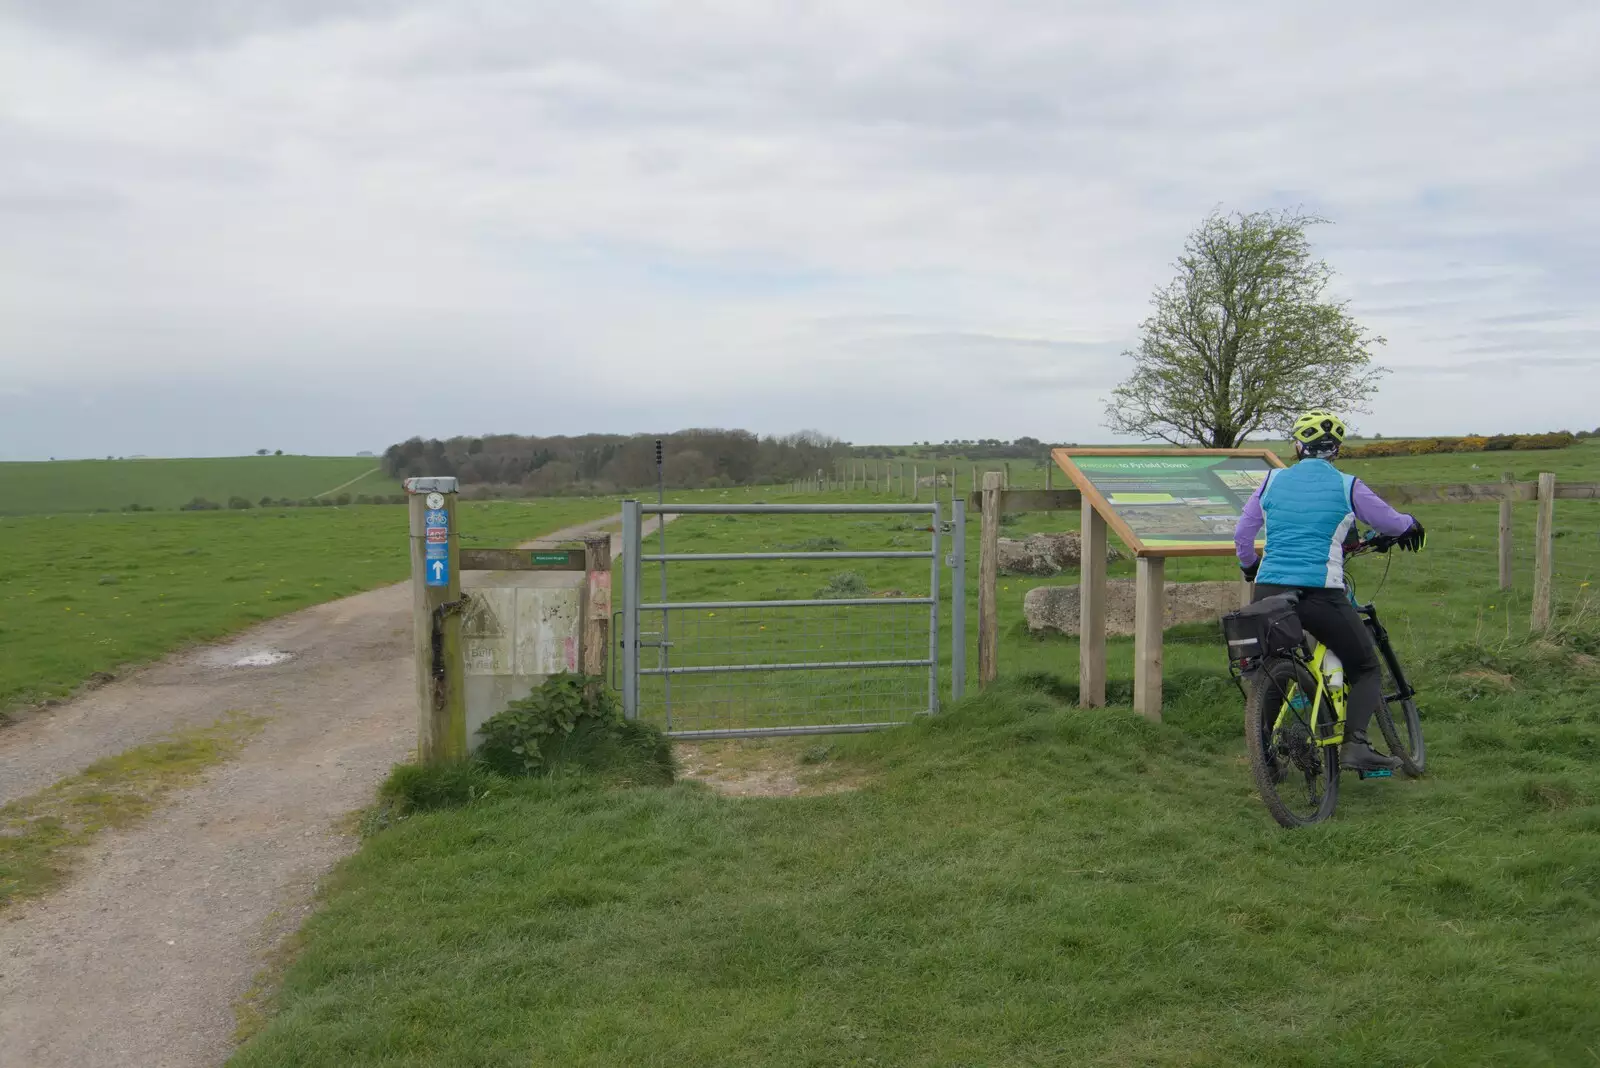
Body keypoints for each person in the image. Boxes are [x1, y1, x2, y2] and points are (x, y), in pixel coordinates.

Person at [1233, 410, 1426, 772]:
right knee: (1366, 666)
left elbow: (1243, 535)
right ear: (1335, 449)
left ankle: (1266, 757)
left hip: (1270, 591)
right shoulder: (1347, 485)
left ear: (1297, 446)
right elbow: (1390, 522)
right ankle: (1356, 744)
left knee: (1276, 667)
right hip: (1321, 593)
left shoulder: (1271, 481)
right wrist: (1411, 525)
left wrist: (1250, 567)